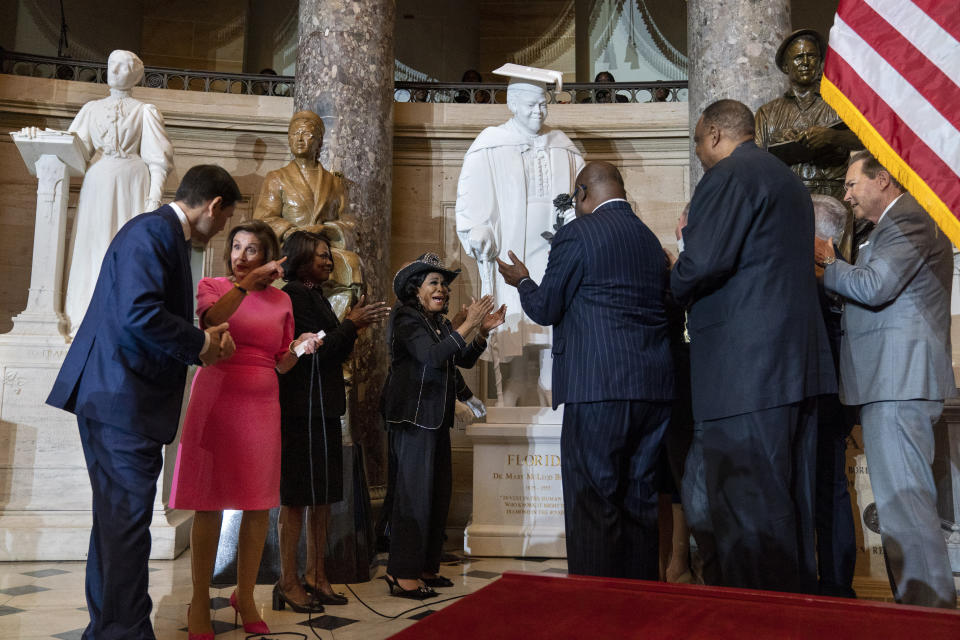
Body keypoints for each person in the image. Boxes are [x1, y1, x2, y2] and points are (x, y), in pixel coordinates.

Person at [45, 164, 241, 640]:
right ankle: (124, 633)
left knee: (117, 526)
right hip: (120, 398)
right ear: (214, 207)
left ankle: (111, 629)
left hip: (120, 397)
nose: (218, 231)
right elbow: (139, 312)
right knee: (126, 526)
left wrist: (198, 339)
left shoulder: (157, 234)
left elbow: (145, 312)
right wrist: (200, 344)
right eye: (224, 220)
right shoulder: (152, 232)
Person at [671, 99, 836, 593]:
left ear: (717, 135)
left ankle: (757, 620)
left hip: (744, 373)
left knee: (747, 508)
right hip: (793, 366)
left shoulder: (728, 176)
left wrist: (668, 282)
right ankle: (794, 611)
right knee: (790, 502)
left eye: (699, 141)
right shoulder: (787, 180)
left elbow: (703, 263)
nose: (700, 152)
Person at [497, 161, 674, 579]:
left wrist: (522, 280)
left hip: (598, 386)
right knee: (640, 501)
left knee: (593, 502)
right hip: (653, 389)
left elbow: (545, 306)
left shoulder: (578, 232)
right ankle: (638, 605)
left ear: (582, 194)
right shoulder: (649, 239)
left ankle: (595, 609)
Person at [819, 151, 958, 608]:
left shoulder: (910, 220)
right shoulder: (890, 227)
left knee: (909, 512)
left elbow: (875, 286)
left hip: (899, 384)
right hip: (891, 384)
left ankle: (930, 619)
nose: (847, 194)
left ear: (883, 180)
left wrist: (828, 262)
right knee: (905, 512)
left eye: (852, 183)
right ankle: (916, 613)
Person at [169, 220, 319, 637]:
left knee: (257, 504)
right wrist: (245, 284)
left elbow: (279, 361)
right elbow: (210, 321)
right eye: (236, 246)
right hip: (216, 394)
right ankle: (200, 600)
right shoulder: (214, 287)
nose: (240, 255)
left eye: (252, 249)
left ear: (270, 256)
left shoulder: (283, 301)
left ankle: (246, 595)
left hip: (261, 403)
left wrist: (299, 349)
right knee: (208, 501)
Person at [273, 231, 390, 612]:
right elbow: (313, 352)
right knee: (296, 499)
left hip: (322, 407)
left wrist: (349, 328)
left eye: (328, 255)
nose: (328, 261)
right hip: (300, 410)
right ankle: (288, 581)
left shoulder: (315, 294)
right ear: (302, 257)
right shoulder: (293, 293)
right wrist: (351, 325)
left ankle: (317, 575)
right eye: (322, 255)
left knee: (322, 496)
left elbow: (327, 346)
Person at [456, 68, 584, 406]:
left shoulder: (564, 147)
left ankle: (552, 382)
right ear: (512, 105)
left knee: (554, 308)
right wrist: (479, 229)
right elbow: (473, 198)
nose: (538, 112)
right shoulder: (490, 143)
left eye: (543, 104)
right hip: (514, 242)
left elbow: (583, 193)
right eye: (531, 105)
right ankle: (512, 388)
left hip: (555, 246)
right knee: (514, 316)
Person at [381, 253, 504, 599]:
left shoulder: (437, 322)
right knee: (413, 496)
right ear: (415, 289)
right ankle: (401, 574)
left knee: (437, 494)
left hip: (434, 418)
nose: (443, 290)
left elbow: (460, 358)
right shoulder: (406, 317)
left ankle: (425, 567)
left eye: (445, 286)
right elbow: (433, 357)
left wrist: (479, 332)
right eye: (434, 283)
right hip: (411, 419)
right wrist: (466, 324)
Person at [63, 49, 174, 335]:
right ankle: (83, 316)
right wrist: (41, 139)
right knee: (92, 245)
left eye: (123, 66)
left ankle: (121, 319)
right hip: (98, 180)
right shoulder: (90, 109)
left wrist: (153, 199)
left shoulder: (144, 111)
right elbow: (72, 148)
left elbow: (158, 159)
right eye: (112, 64)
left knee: (125, 247)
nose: (115, 70)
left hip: (131, 181)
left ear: (135, 74)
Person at [754, 29, 867, 259]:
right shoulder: (768, 113)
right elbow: (755, 160)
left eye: (812, 56)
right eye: (798, 57)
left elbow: (867, 139)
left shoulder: (840, 104)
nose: (806, 62)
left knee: (834, 270)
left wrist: (832, 137)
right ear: (786, 66)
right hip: (788, 201)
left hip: (835, 201)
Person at [254, 109, 361, 316]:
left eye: (305, 134)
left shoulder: (334, 182)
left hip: (324, 250)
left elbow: (349, 222)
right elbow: (263, 219)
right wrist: (291, 232)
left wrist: (325, 229)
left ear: (319, 141)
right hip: (290, 250)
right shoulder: (277, 178)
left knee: (352, 263)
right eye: (294, 134)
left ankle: (333, 322)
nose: (299, 139)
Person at [811, 193, 858, 598]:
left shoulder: (825, 272)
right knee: (832, 490)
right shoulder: (845, 268)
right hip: (837, 394)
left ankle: (834, 585)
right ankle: (836, 584)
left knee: (826, 491)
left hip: (822, 396)